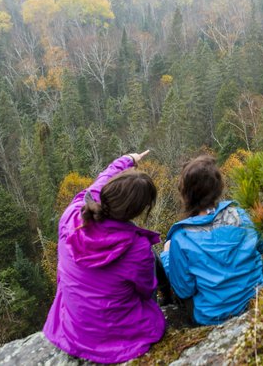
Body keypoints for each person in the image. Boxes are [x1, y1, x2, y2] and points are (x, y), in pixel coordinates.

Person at [43, 151, 165, 364]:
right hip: (118, 337)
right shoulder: (137, 248)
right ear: (137, 210)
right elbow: (145, 290)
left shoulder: (72, 214)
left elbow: (102, 178)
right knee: (152, 260)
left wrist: (129, 160)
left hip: (73, 328)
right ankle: (170, 301)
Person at [160, 155, 263, 326]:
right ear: (218, 188)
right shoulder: (239, 215)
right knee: (254, 254)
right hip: (257, 299)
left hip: (212, 317)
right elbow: (261, 247)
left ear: (186, 195)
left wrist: (166, 255)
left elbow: (184, 289)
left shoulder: (181, 236)